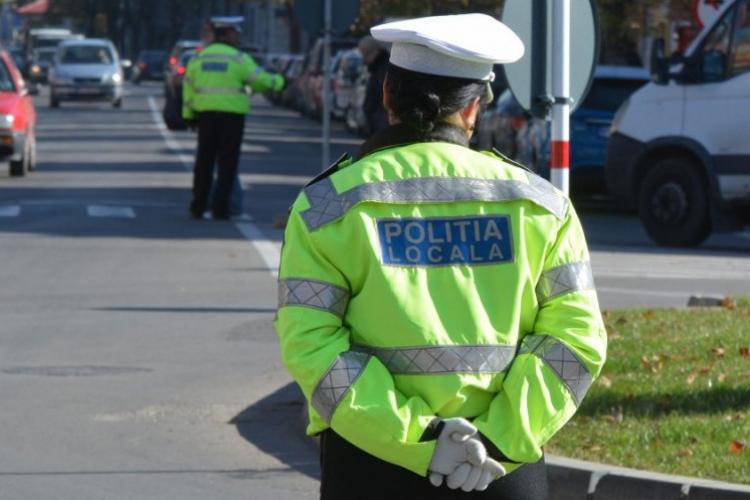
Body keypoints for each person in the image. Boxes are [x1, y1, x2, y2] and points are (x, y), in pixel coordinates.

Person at [275, 13, 606, 500]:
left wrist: (421, 439)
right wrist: (496, 440)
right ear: (473, 108)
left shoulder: (327, 206)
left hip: (371, 464)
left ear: (387, 96)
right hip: (500, 471)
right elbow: (576, 342)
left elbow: (311, 346)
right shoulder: (542, 205)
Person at [183, 16, 284, 219]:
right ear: (227, 34)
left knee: (203, 162)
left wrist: (189, 116)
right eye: (236, 34)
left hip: (205, 116)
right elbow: (260, 81)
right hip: (232, 117)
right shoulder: (238, 58)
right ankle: (220, 209)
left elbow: (188, 87)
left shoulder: (199, 58)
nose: (238, 38)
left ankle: (198, 206)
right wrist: (280, 82)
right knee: (227, 164)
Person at [358, 35, 389, 135]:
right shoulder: (379, 68)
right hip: (378, 123)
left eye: (365, 55)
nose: (364, 60)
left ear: (374, 53)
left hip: (381, 124)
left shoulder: (382, 70)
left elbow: (381, 99)